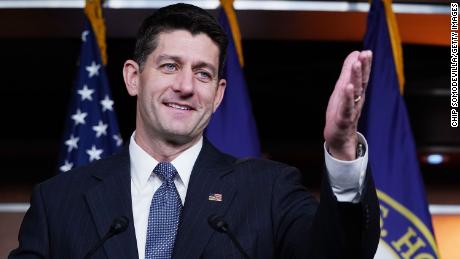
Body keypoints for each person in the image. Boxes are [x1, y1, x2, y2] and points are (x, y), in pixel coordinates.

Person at [10, 3, 379, 259]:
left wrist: (342, 148)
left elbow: (339, 253)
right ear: (133, 77)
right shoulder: (58, 202)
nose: (186, 86)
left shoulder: (268, 191)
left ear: (218, 94)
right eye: (170, 66)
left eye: (203, 73)